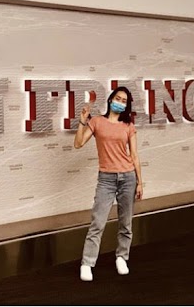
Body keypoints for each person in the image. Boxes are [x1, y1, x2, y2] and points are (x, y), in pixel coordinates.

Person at [74, 86, 143, 282]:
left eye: (124, 100)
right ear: (111, 99)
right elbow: (78, 144)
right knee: (97, 222)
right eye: (117, 98)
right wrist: (82, 121)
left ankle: (122, 257)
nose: (120, 102)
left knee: (126, 223)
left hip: (128, 177)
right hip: (106, 179)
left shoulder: (128, 126)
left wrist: (139, 182)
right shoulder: (97, 121)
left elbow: (135, 156)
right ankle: (87, 263)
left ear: (126, 105)